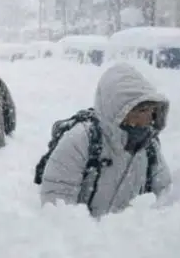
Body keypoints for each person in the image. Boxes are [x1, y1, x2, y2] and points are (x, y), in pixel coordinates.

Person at [39, 63, 172, 217]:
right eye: (141, 110)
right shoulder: (80, 142)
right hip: (80, 238)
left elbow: (166, 195)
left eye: (152, 111)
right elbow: (57, 207)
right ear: (118, 109)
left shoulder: (149, 147)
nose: (149, 118)